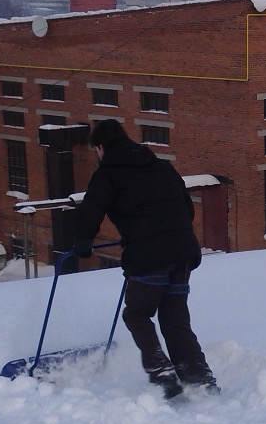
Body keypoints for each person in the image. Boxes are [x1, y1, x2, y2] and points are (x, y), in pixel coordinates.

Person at [73, 119, 217, 399]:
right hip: (182, 252)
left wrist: (82, 244)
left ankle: (161, 372)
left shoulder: (108, 173)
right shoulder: (161, 165)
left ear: (101, 147)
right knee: (175, 319)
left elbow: (91, 211)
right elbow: (186, 208)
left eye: (96, 151)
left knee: (137, 313)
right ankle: (198, 377)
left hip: (149, 256)